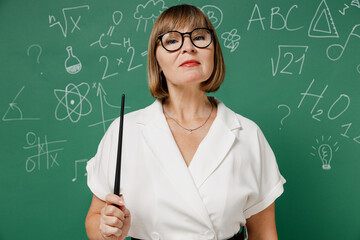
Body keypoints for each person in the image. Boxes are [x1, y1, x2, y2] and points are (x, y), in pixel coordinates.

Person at [85, 4, 285, 240]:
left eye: (199, 37)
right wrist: (107, 229)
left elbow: (263, 234)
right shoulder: (124, 131)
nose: (188, 47)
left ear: (214, 53)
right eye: (171, 41)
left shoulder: (248, 135)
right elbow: (94, 221)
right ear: (157, 60)